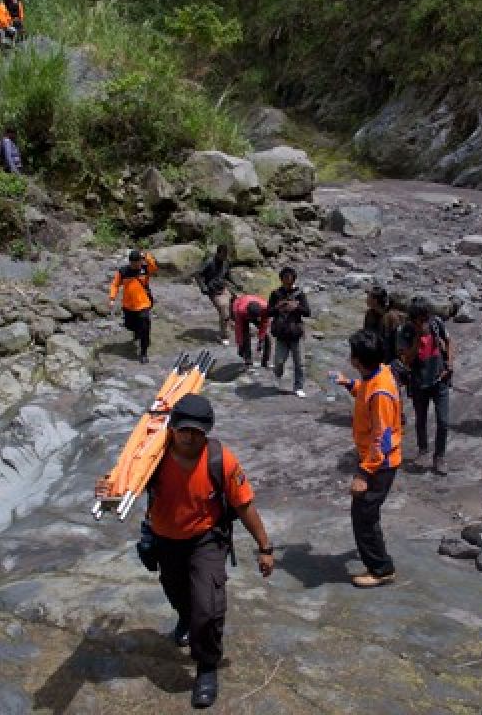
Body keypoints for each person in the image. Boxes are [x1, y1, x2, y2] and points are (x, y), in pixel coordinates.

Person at [135, 394, 273, 708]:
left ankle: (207, 666)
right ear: (172, 428)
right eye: (183, 429)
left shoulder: (221, 460)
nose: (189, 436)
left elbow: (244, 505)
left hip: (206, 538)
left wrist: (265, 547)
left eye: (196, 431)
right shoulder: (153, 456)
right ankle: (186, 618)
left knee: (208, 607)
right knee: (176, 590)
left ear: (207, 430)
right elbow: (123, 482)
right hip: (165, 538)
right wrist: (108, 488)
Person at [333, 330, 402, 588]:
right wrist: (349, 384)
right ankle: (378, 562)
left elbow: (381, 439)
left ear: (357, 360)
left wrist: (364, 473)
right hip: (376, 459)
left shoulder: (381, 392)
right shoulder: (377, 374)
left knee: (364, 514)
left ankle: (381, 569)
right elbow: (366, 390)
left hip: (379, 463)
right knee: (366, 513)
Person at [396, 297, 453, 476]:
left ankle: (440, 456)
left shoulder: (436, 323)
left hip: (439, 380)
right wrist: (417, 341)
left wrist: (450, 364)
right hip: (419, 382)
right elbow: (406, 360)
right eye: (420, 319)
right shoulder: (405, 331)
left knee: (443, 421)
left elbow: (449, 342)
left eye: (426, 318)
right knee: (421, 419)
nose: (424, 322)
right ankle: (423, 450)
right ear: (413, 319)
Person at [109, 249, 159, 363]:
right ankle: (137, 331)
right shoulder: (123, 271)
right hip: (129, 306)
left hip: (144, 303)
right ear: (130, 262)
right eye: (133, 263)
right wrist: (112, 298)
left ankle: (143, 353)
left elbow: (154, 267)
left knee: (145, 325)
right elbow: (115, 285)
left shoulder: (145, 269)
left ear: (141, 261)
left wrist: (146, 255)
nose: (136, 265)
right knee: (129, 325)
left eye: (138, 262)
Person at [267, 267, 310, 397]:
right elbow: (268, 312)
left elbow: (307, 312)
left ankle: (298, 387)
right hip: (281, 333)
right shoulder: (275, 294)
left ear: (293, 279)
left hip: (296, 332)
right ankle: (278, 376)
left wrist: (296, 307)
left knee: (300, 363)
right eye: (285, 278)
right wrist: (278, 307)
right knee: (278, 362)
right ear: (281, 279)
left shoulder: (300, 294)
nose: (288, 280)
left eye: (290, 278)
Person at [194, 245, 239, 346]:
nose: (225, 257)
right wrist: (203, 287)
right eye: (223, 255)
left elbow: (228, 275)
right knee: (223, 308)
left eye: (226, 255)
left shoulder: (225, 263)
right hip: (213, 291)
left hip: (223, 288)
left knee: (235, 302)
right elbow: (197, 275)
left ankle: (231, 323)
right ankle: (224, 335)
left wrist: (236, 283)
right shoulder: (209, 262)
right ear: (218, 253)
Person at [363, 285, 405, 364]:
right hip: (375, 355)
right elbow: (365, 335)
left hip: (390, 359)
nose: (366, 299)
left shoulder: (392, 318)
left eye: (368, 297)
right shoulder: (369, 314)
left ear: (375, 301)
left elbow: (398, 343)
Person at [231, 294, 270, 368]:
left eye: (254, 318)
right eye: (250, 317)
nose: (251, 320)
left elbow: (264, 324)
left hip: (255, 305)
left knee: (267, 337)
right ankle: (248, 360)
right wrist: (240, 345)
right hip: (239, 305)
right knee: (245, 335)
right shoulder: (240, 310)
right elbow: (238, 329)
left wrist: (261, 340)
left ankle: (265, 361)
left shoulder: (265, 309)